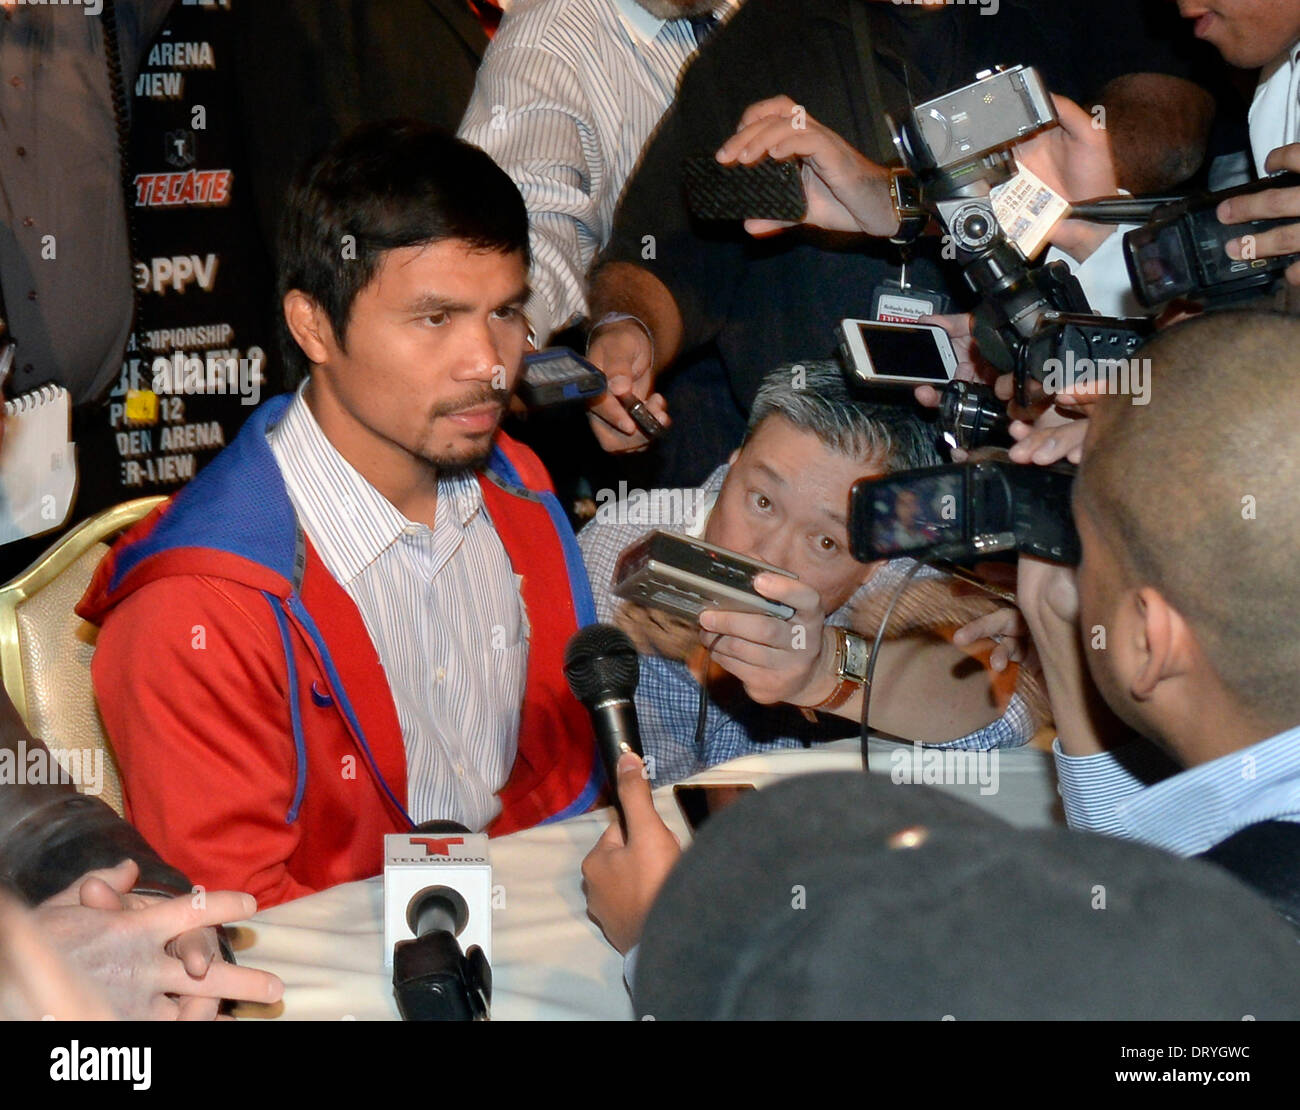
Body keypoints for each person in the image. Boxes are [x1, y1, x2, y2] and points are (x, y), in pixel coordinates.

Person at [77, 122, 602, 909]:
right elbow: (243, 931)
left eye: (505, 313)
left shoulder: (519, 487)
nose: (489, 363)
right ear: (313, 325)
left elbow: (561, 783)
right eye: (435, 319)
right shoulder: (195, 610)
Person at [581, 0, 1215, 462]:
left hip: (1024, 449)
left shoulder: (1092, 19)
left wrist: (894, 196)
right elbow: (662, 249)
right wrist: (626, 334)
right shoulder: (772, 31)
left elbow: (1168, 138)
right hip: (799, 471)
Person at [578, 362, 1041, 785]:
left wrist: (824, 671)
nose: (771, 559)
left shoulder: (894, 570)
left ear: (875, 560)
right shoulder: (623, 539)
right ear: (734, 464)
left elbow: (1010, 697)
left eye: (824, 542)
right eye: (762, 502)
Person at [458, 0, 740, 348]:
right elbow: (528, 228)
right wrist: (508, 339)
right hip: (664, 377)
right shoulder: (546, 46)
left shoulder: (754, 21)